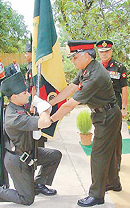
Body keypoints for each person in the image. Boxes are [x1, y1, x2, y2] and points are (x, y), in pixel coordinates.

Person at [49, 40, 122, 207]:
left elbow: (70, 104)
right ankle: (113, 183)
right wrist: (51, 103)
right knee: (108, 152)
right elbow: (71, 87)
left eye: (74, 57)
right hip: (105, 114)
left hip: (107, 116)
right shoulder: (87, 69)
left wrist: (50, 121)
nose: (72, 60)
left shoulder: (95, 75)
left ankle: (96, 195)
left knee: (98, 155)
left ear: (86, 56)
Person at [0, 72, 62, 206]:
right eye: (25, 93)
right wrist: (43, 107)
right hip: (18, 160)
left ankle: (39, 184)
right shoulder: (15, 117)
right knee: (26, 199)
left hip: (29, 152)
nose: (29, 95)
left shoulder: (17, 107)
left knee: (55, 156)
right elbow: (45, 122)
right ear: (14, 97)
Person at [96, 40, 128, 171]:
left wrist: (124, 108)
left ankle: (116, 162)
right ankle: (104, 162)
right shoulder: (95, 66)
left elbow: (124, 88)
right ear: (98, 52)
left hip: (115, 106)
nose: (104, 54)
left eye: (107, 51)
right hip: (98, 106)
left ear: (111, 51)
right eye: (101, 52)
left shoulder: (119, 67)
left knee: (115, 134)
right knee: (101, 134)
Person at [25, 43, 47, 147]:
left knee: (35, 120)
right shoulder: (30, 66)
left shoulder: (33, 67)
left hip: (33, 98)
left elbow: (34, 87)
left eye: (26, 53)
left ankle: (39, 144)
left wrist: (33, 104)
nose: (25, 55)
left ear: (31, 54)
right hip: (31, 96)